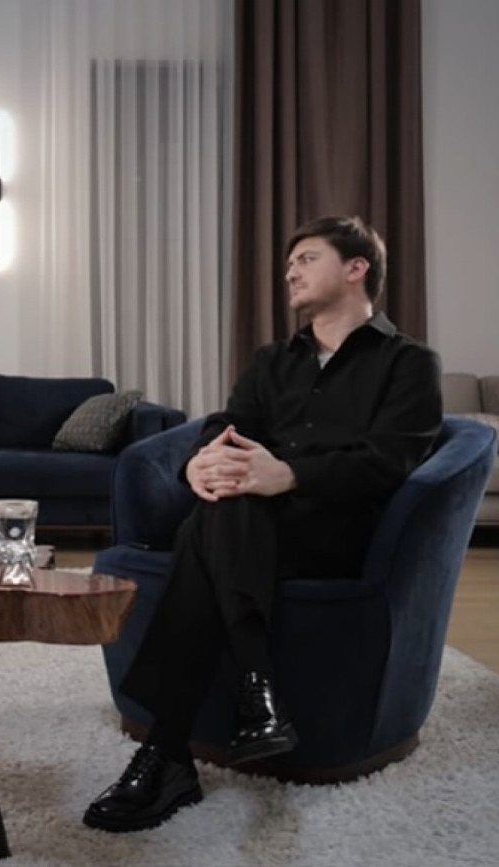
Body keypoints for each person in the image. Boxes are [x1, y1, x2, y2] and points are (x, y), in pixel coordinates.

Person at [83, 215, 442, 833]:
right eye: (289, 263)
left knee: (213, 523)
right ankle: (255, 696)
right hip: (250, 523)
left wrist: (290, 474)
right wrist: (200, 462)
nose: (290, 272)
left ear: (356, 268)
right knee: (226, 506)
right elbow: (227, 426)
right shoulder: (272, 360)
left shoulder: (408, 362)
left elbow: (393, 459)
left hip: (337, 530)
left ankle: (169, 751)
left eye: (307, 259)